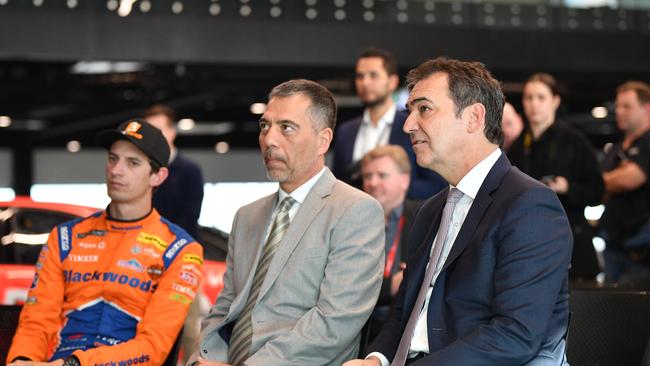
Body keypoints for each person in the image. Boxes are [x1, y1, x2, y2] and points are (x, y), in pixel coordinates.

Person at [344, 57, 572, 366]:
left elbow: (514, 335)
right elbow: (405, 313)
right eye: (410, 110)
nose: (409, 124)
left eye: (424, 109)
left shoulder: (530, 205)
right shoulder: (429, 211)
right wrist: (375, 360)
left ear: (474, 118)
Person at [191, 79, 385, 366]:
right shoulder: (247, 216)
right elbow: (226, 306)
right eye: (265, 126)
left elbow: (334, 323)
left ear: (323, 140)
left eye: (287, 127)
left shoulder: (356, 210)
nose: (269, 139)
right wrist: (202, 359)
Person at [7, 119, 204, 366]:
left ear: (158, 176)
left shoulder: (181, 250)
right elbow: (37, 319)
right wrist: (21, 360)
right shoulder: (65, 237)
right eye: (113, 158)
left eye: (132, 163)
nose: (116, 170)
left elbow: (152, 348)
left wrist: (75, 363)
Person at [508, 73, 604, 280]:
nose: (534, 104)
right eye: (529, 97)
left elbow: (598, 191)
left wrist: (568, 188)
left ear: (555, 101)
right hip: (528, 243)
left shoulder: (575, 142)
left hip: (571, 241)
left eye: (541, 98)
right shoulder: (516, 148)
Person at [332, 47, 446, 199]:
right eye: (360, 76)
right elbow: (337, 183)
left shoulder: (414, 126)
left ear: (392, 82)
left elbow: (436, 184)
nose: (365, 82)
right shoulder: (345, 131)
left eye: (373, 75)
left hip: (405, 218)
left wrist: (394, 189)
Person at [360, 145, 421, 343]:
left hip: (407, 331)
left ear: (404, 180)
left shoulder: (425, 217)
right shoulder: (353, 221)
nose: (372, 182)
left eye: (382, 175)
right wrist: (391, 285)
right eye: (368, 176)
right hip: (360, 328)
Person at [600, 81, 650, 288]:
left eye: (627, 106)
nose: (619, 112)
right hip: (613, 246)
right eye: (618, 106)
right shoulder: (617, 148)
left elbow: (631, 178)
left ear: (646, 108)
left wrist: (606, 180)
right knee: (611, 312)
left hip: (642, 251)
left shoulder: (647, 143)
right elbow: (601, 187)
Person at [145, 105, 204, 238]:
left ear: (172, 132)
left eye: (158, 130)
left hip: (179, 246)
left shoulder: (190, 170)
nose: (153, 137)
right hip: (143, 246)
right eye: (149, 132)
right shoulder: (142, 169)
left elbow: (190, 217)